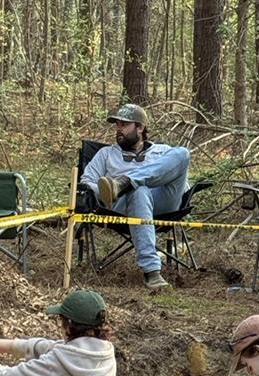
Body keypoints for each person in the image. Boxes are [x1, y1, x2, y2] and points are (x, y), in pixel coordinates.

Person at [80, 103, 190, 291]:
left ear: (140, 128)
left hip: (164, 203)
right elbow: (86, 182)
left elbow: (183, 183)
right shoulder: (106, 154)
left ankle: (125, 182)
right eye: (117, 125)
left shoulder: (162, 151)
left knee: (182, 153)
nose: (118, 129)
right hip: (123, 206)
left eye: (124, 124)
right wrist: (104, 193)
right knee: (140, 191)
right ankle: (152, 272)